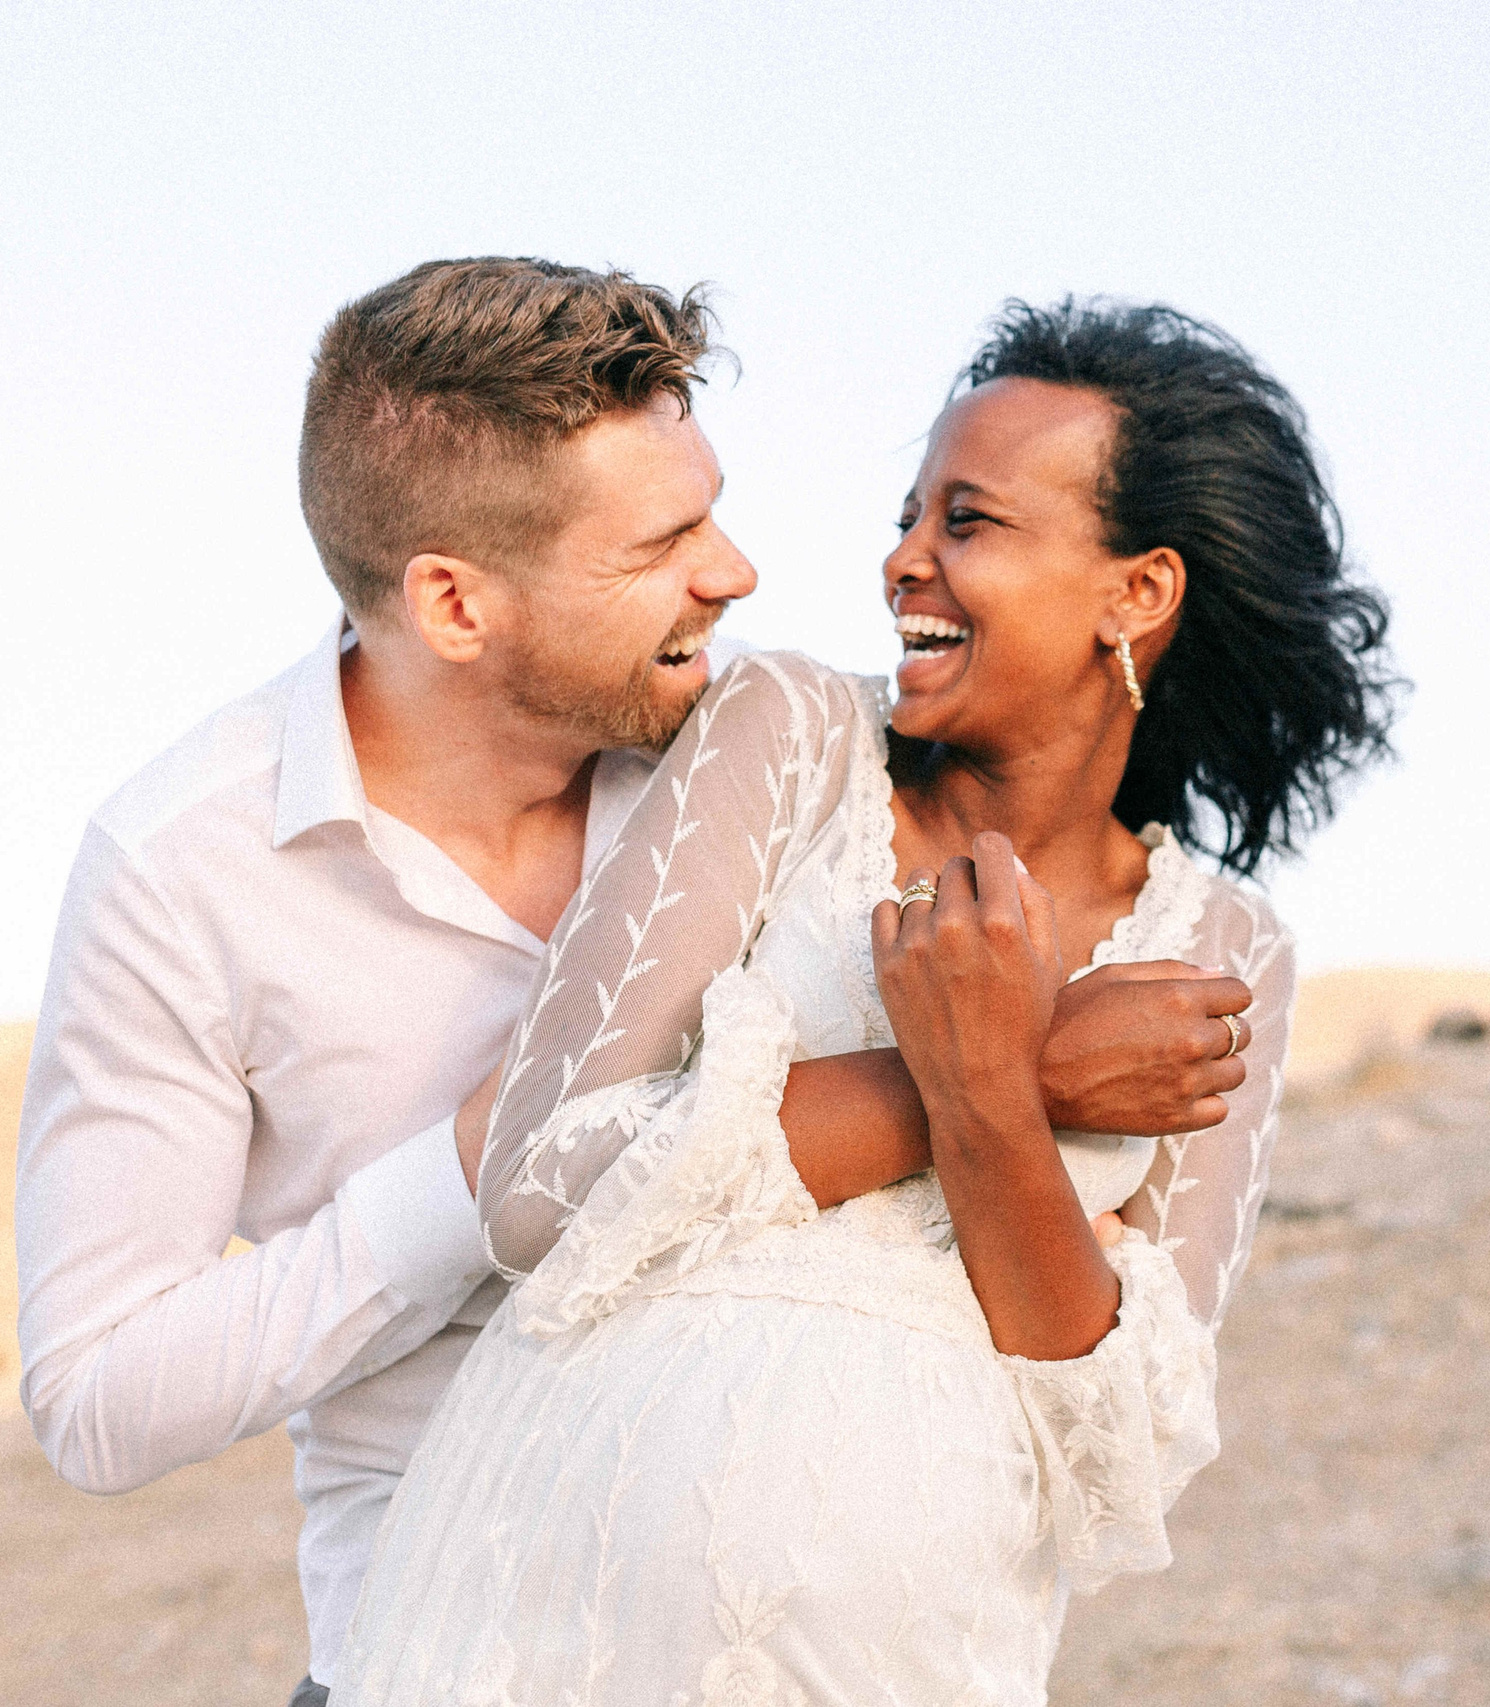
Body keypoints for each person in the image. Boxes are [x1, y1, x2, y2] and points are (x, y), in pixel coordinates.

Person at [13, 260, 1248, 1705]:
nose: (732, 572)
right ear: (456, 604)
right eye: (660, 544)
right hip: (446, 1655)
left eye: (711, 508)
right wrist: (470, 1172)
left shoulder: (766, 753)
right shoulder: (188, 871)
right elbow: (97, 1396)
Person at [338, 299, 1397, 1704]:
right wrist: (1002, 1078)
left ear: (1134, 594)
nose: (903, 559)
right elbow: (542, 1183)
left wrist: (992, 1099)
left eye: (969, 522)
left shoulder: (1222, 950)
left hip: (902, 1658)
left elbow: (1124, 1443)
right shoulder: (787, 738)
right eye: (913, 514)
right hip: (548, 1610)